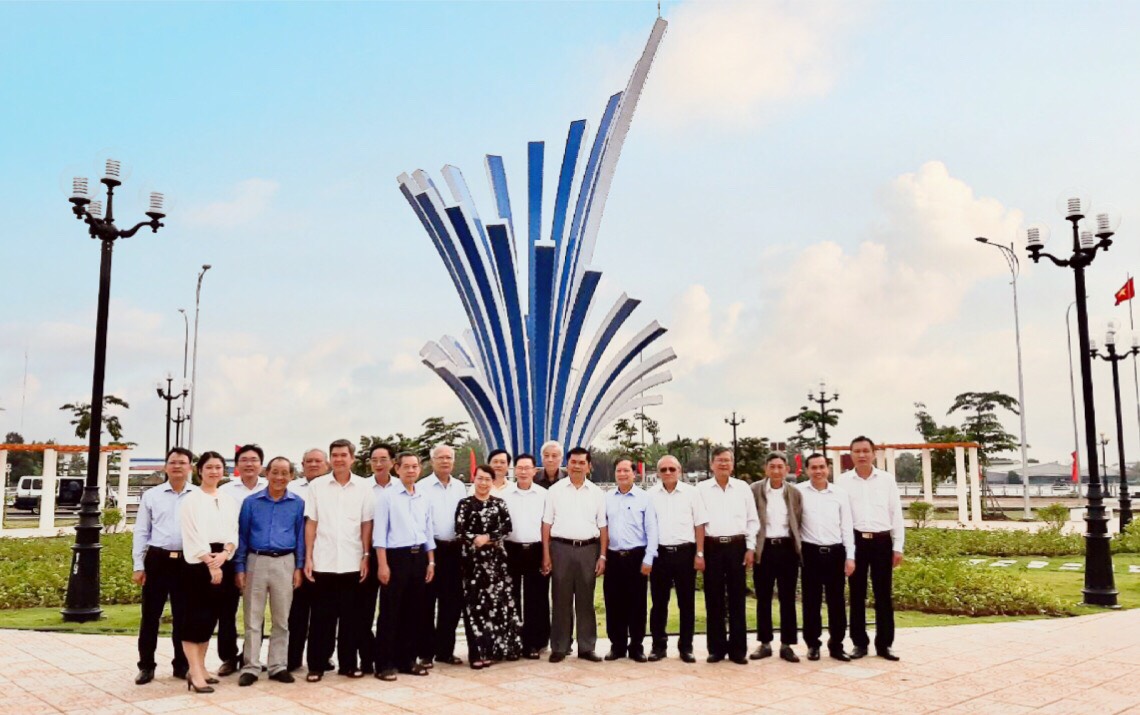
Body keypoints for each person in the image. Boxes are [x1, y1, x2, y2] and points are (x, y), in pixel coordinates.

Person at [303, 439, 373, 681]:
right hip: (323, 561)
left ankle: (348, 664)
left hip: (353, 561)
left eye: (344, 455)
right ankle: (316, 664)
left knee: (350, 618)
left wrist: (365, 556)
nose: (339, 459)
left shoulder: (364, 487)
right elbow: (311, 522)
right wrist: (308, 557)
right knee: (321, 617)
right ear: (330, 459)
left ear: (352, 458)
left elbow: (366, 524)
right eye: (335, 455)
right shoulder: (317, 486)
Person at [234, 456, 306, 686]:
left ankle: (277, 665)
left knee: (281, 619)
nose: (279, 477)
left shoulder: (298, 503)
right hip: (256, 560)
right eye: (275, 472)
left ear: (291, 476)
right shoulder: (251, 502)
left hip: (285, 562)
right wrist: (240, 567)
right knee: (253, 618)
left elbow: (300, 537)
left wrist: (299, 567)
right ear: (267, 473)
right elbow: (242, 536)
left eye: (284, 473)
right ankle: (251, 666)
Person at [132, 447, 197, 685]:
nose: (177, 466)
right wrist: (138, 565)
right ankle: (146, 666)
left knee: (183, 616)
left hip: (187, 561)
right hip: (157, 560)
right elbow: (141, 531)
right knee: (150, 615)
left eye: (182, 462)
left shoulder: (198, 496)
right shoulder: (152, 496)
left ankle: (181, 665)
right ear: (165, 466)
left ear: (190, 466)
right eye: (173, 462)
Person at [838, 436, 905, 661]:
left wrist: (898, 546)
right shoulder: (843, 482)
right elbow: (842, 518)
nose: (862, 455)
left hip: (882, 543)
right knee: (856, 595)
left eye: (866, 451)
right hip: (856, 542)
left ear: (874, 453)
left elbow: (896, 514)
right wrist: (847, 550)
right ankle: (859, 643)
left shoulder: (886, 480)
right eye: (857, 451)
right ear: (851, 454)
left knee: (883, 594)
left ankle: (885, 645)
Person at [180, 451, 240, 694]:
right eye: (209, 467)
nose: (214, 471)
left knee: (211, 618)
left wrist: (225, 554)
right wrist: (210, 563)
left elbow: (233, 531)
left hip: (223, 558)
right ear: (200, 470)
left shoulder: (228, 499)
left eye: (218, 467)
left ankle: (202, 668)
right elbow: (191, 534)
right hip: (198, 563)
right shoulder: (191, 499)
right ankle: (194, 673)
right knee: (195, 618)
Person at [541, 446, 607, 663]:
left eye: (581, 463)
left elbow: (603, 527)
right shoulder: (555, 491)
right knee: (560, 598)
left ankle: (587, 647)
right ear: (567, 464)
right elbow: (546, 524)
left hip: (588, 549)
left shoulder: (597, 493)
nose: (577, 466)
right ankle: (560, 646)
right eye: (573, 462)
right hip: (560, 549)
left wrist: (602, 556)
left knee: (586, 600)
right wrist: (546, 555)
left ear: (589, 466)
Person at [373, 452, 435, 681]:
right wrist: (382, 565)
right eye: (406, 467)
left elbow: (428, 531)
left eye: (415, 466)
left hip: (419, 557)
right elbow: (379, 534)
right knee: (390, 612)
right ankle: (384, 663)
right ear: (396, 469)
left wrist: (431, 561)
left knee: (413, 611)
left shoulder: (423, 496)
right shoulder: (387, 497)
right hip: (395, 558)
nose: (411, 470)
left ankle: (407, 659)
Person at [455, 464, 523, 668]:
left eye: (487, 479)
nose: (483, 483)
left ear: (493, 482)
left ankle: (498, 649)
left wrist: (489, 538)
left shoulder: (499, 504)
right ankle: (477, 652)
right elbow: (459, 530)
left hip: (496, 564)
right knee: (476, 607)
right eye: (480, 478)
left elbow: (507, 527)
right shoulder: (465, 504)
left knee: (498, 606)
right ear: (474, 479)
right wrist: (475, 539)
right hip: (473, 564)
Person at [698, 447, 759, 665]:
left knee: (736, 599)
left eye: (727, 460)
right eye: (719, 460)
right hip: (712, 547)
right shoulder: (702, 489)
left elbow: (752, 520)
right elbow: (698, 523)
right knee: (713, 599)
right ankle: (716, 649)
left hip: (737, 547)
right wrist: (700, 552)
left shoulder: (742, 488)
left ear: (732, 464)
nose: (723, 464)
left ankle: (738, 650)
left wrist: (750, 548)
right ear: (712, 464)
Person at [215, 444, 268, 676]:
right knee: (226, 611)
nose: (249, 464)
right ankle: (228, 657)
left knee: (257, 611)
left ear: (261, 465)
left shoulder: (270, 487)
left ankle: (251, 656)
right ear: (237, 465)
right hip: (229, 556)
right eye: (244, 460)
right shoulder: (225, 491)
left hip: (259, 556)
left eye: (254, 460)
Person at [647, 455, 706, 663]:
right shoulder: (651, 495)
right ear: (657, 473)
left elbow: (699, 524)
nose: (668, 473)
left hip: (685, 553)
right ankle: (658, 646)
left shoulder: (692, 494)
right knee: (659, 603)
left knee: (686, 603)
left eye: (672, 469)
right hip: (660, 555)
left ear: (679, 471)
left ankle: (686, 647)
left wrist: (700, 553)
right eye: (663, 470)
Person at [798, 453, 855, 662]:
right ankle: (813, 644)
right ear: (807, 470)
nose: (818, 471)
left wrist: (850, 556)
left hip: (835, 553)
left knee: (837, 602)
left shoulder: (839, 494)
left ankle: (837, 645)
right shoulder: (799, 492)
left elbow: (847, 526)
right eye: (814, 467)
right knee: (811, 602)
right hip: (810, 553)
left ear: (828, 469)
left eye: (822, 467)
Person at [602, 458, 658, 662]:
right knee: (613, 603)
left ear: (634, 474)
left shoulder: (644, 498)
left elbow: (652, 529)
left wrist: (649, 558)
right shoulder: (607, 498)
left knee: (637, 604)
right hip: (614, 557)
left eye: (626, 470)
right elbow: (603, 528)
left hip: (636, 556)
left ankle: (636, 646)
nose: (622, 474)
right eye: (619, 470)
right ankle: (617, 646)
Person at [750, 452, 803, 663]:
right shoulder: (755, 490)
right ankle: (764, 643)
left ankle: (787, 644)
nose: (776, 471)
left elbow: (798, 519)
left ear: (786, 469)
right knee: (763, 598)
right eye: (772, 466)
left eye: (780, 467)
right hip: (764, 549)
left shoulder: (794, 493)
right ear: (766, 469)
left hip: (787, 549)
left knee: (787, 598)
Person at [418, 444, 468, 668]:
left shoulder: (459, 487)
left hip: (454, 550)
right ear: (432, 461)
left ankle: (445, 650)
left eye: (449, 458)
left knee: (452, 602)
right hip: (431, 548)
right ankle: (426, 652)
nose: (445, 461)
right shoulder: (422, 487)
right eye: (440, 458)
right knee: (427, 602)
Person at [500, 453, 550, 659]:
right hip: (511, 549)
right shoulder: (505, 494)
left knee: (536, 598)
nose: (522, 472)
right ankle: (513, 641)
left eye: (526, 468)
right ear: (514, 471)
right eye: (519, 468)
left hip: (536, 549)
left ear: (534, 471)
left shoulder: (543, 494)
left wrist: (546, 555)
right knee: (511, 597)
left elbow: (547, 525)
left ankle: (533, 643)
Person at [286, 448, 328, 673]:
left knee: (324, 614)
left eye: (318, 461)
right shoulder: (291, 489)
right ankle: (292, 658)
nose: (313, 464)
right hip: (297, 558)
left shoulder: (334, 488)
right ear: (302, 464)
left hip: (327, 559)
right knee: (297, 614)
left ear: (327, 464)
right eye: (309, 461)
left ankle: (322, 657)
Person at [357, 443, 397, 675]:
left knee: (391, 611)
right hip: (366, 554)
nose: (379, 464)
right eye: (374, 460)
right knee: (363, 610)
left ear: (393, 462)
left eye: (383, 459)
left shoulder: (401, 487)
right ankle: (367, 656)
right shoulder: (362, 487)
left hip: (394, 555)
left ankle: (388, 656)